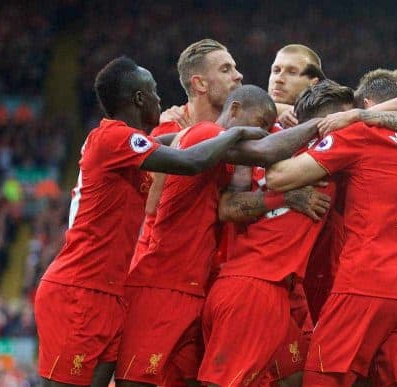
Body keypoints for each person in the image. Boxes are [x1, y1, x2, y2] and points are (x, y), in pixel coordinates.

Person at [34, 57, 267, 387]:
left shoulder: (126, 145)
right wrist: (236, 131)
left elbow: (180, 144)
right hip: (79, 289)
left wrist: (192, 130)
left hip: (111, 293)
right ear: (139, 99)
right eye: (154, 91)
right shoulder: (113, 138)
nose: (161, 99)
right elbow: (191, 160)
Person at [115, 85, 330, 387]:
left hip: (197, 287)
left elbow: (230, 200)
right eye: (260, 125)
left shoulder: (222, 155)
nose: (264, 132)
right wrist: (331, 122)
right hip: (162, 282)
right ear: (235, 110)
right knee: (136, 381)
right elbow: (267, 151)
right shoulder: (205, 133)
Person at [265, 69, 397, 387]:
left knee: (319, 378)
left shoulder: (363, 134)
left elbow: (279, 177)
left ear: (367, 104)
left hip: (365, 286)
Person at [140, 39, 244, 248]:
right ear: (200, 84)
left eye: (235, 68)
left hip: (212, 265)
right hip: (167, 261)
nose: (238, 75)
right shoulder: (169, 131)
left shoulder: (241, 126)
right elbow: (149, 207)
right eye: (225, 70)